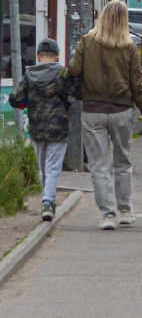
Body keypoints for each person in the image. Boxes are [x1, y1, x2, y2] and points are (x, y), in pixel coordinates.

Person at [69, 0, 142, 231]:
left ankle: (107, 214)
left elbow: (74, 70)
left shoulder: (87, 42)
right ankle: (125, 210)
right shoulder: (129, 47)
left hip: (93, 110)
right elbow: (137, 83)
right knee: (122, 162)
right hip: (121, 111)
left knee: (99, 165)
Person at [8, 39, 78, 221]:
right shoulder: (62, 74)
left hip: (37, 127)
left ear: (38, 56)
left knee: (42, 166)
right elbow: (77, 92)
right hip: (59, 128)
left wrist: (26, 102)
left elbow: (14, 98)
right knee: (53, 166)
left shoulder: (29, 75)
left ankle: (47, 200)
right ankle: (48, 201)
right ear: (57, 56)